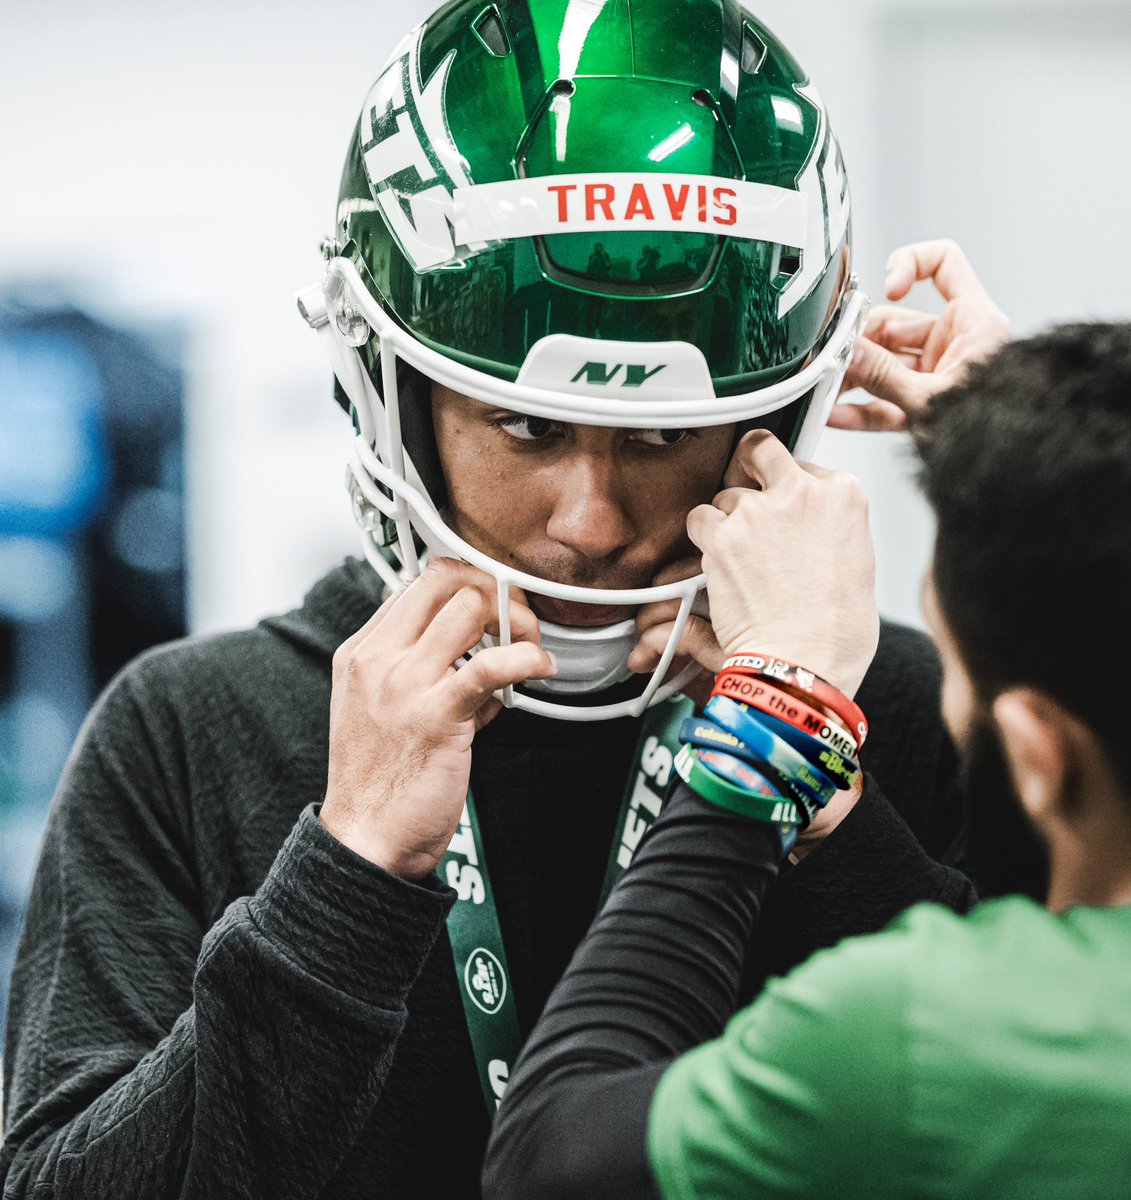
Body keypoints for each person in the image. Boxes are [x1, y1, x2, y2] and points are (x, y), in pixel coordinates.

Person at [0, 2, 1001, 1196]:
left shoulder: (893, 704)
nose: (592, 521)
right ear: (397, 400)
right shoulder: (187, 725)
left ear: (773, 420)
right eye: (525, 427)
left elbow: (1043, 1137)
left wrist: (820, 773)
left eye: (664, 434)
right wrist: (347, 875)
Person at [481, 318, 1131, 1199]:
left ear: (1037, 755)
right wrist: (1027, 453)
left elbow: (551, 1161)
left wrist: (778, 718)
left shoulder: (920, 1036)